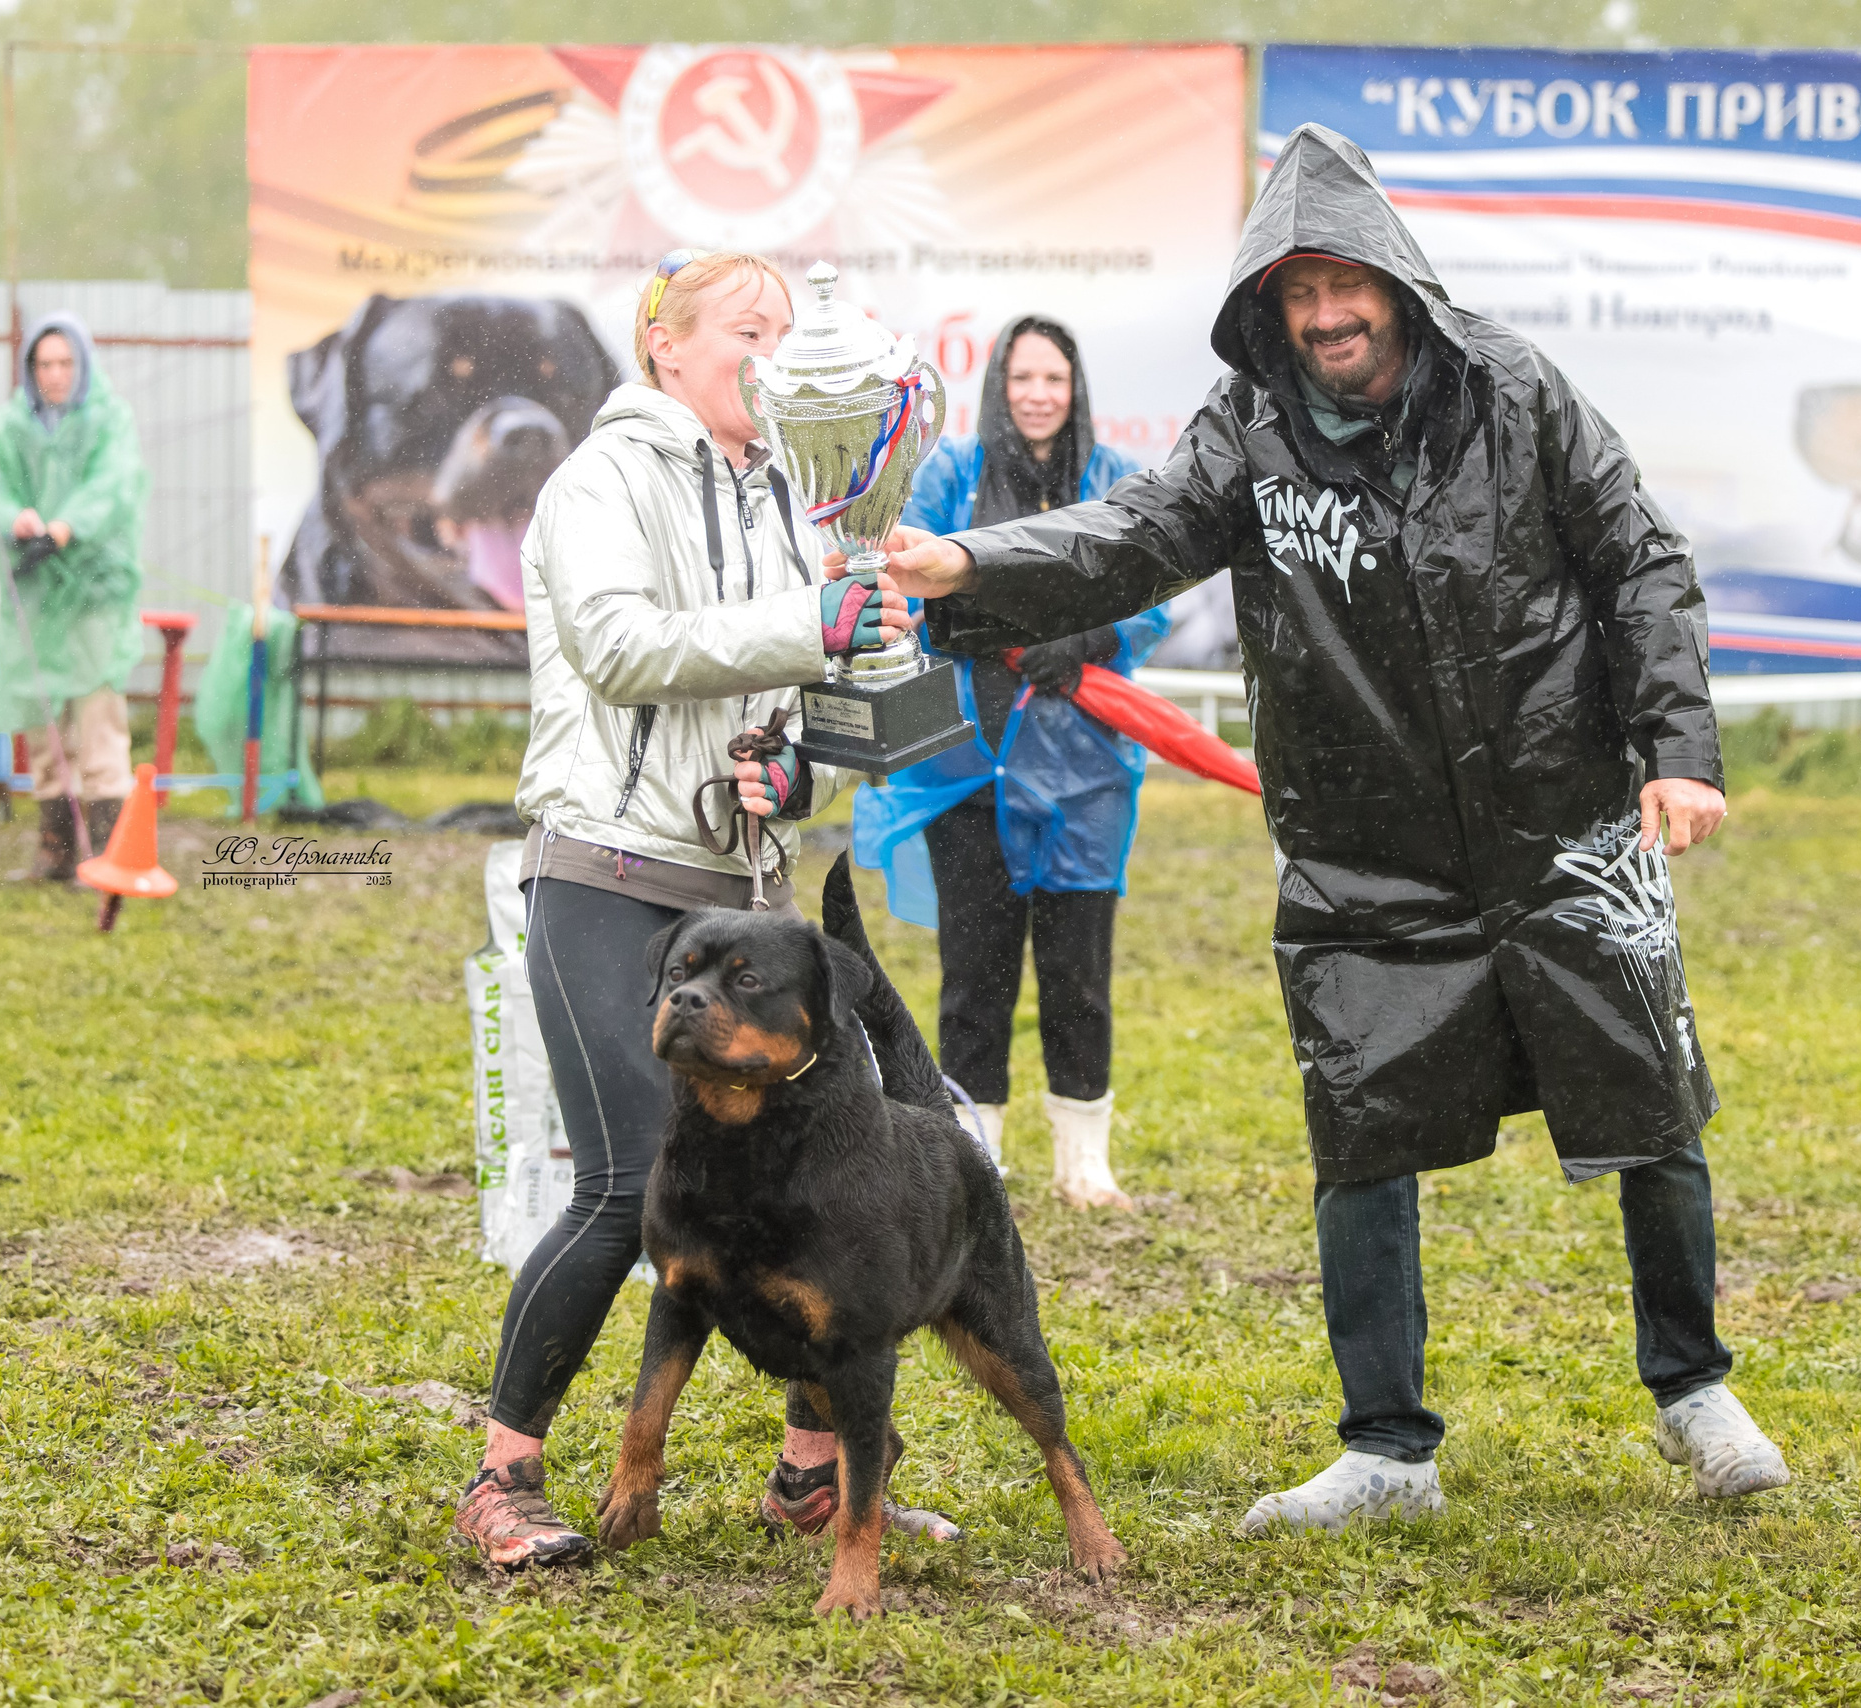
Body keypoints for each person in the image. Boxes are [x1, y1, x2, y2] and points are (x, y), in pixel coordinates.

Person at [874, 125, 1792, 1533]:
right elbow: (1131, 537)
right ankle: (1387, 1452)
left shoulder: (1515, 389)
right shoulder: (1249, 427)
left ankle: (1694, 1387)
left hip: (1564, 823)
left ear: (1395, 282)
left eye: (1342, 287)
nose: (1324, 318)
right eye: (1294, 295)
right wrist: (967, 567)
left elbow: (1640, 561)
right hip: (1363, 850)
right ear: (1267, 307)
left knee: (1649, 1109)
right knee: (1359, 1131)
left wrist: (1677, 750)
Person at [455, 249, 950, 1568]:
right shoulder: (596, 482)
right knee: (627, 1189)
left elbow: (783, 692)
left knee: (841, 1185)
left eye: (786, 335)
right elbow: (620, 648)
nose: (773, 357)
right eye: (748, 330)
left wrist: (793, 767)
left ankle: (811, 1474)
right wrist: (809, 622)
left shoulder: (798, 490)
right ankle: (502, 1480)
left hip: (749, 897)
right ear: (664, 347)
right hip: (608, 878)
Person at [850, 317, 1172, 1210]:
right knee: (975, 972)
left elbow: (1152, 587)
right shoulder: (955, 472)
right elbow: (911, 570)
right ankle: (974, 1159)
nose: (1039, 394)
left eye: (1055, 379)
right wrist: (1001, 631)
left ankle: (1084, 1159)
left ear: (1075, 390)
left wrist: (1097, 633)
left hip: (1087, 775)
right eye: (1023, 377)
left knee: (1079, 973)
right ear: (1000, 384)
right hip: (968, 768)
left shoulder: (1112, 479)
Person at [0, 314, 148, 880]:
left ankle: (106, 852)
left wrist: (68, 526)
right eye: (44, 363)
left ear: (83, 364)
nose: (55, 374)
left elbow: (113, 485)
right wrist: (16, 518)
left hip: (94, 587)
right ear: (30, 369)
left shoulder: (110, 420)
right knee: (43, 719)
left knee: (96, 715)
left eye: (65, 362)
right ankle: (56, 849)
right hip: (38, 591)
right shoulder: (10, 427)